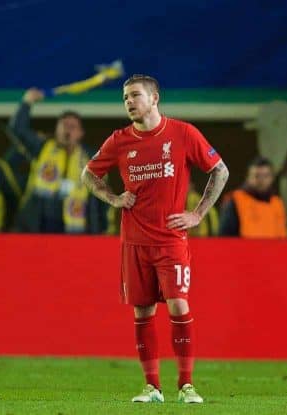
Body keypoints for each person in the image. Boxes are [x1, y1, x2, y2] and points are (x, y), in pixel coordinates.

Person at [81, 74, 229, 404]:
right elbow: (88, 175)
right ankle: (152, 387)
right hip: (134, 242)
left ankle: (187, 385)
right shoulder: (119, 140)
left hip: (170, 239)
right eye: (125, 98)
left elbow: (220, 170)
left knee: (178, 303)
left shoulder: (183, 133)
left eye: (135, 95)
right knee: (142, 312)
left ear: (154, 98)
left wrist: (198, 214)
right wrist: (114, 198)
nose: (129, 102)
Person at [9, 88, 106, 234]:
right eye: (64, 126)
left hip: (74, 230)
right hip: (37, 226)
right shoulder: (42, 147)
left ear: (80, 133)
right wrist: (27, 102)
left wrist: (99, 233)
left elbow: (102, 201)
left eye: (72, 127)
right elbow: (17, 129)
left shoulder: (91, 160)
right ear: (56, 130)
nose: (67, 131)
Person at [218, 156, 287, 238]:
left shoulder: (277, 203)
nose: (261, 180)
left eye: (266, 176)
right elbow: (226, 237)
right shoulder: (235, 200)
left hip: (274, 250)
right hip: (244, 250)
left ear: (272, 178)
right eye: (257, 176)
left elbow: (283, 235)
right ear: (248, 177)